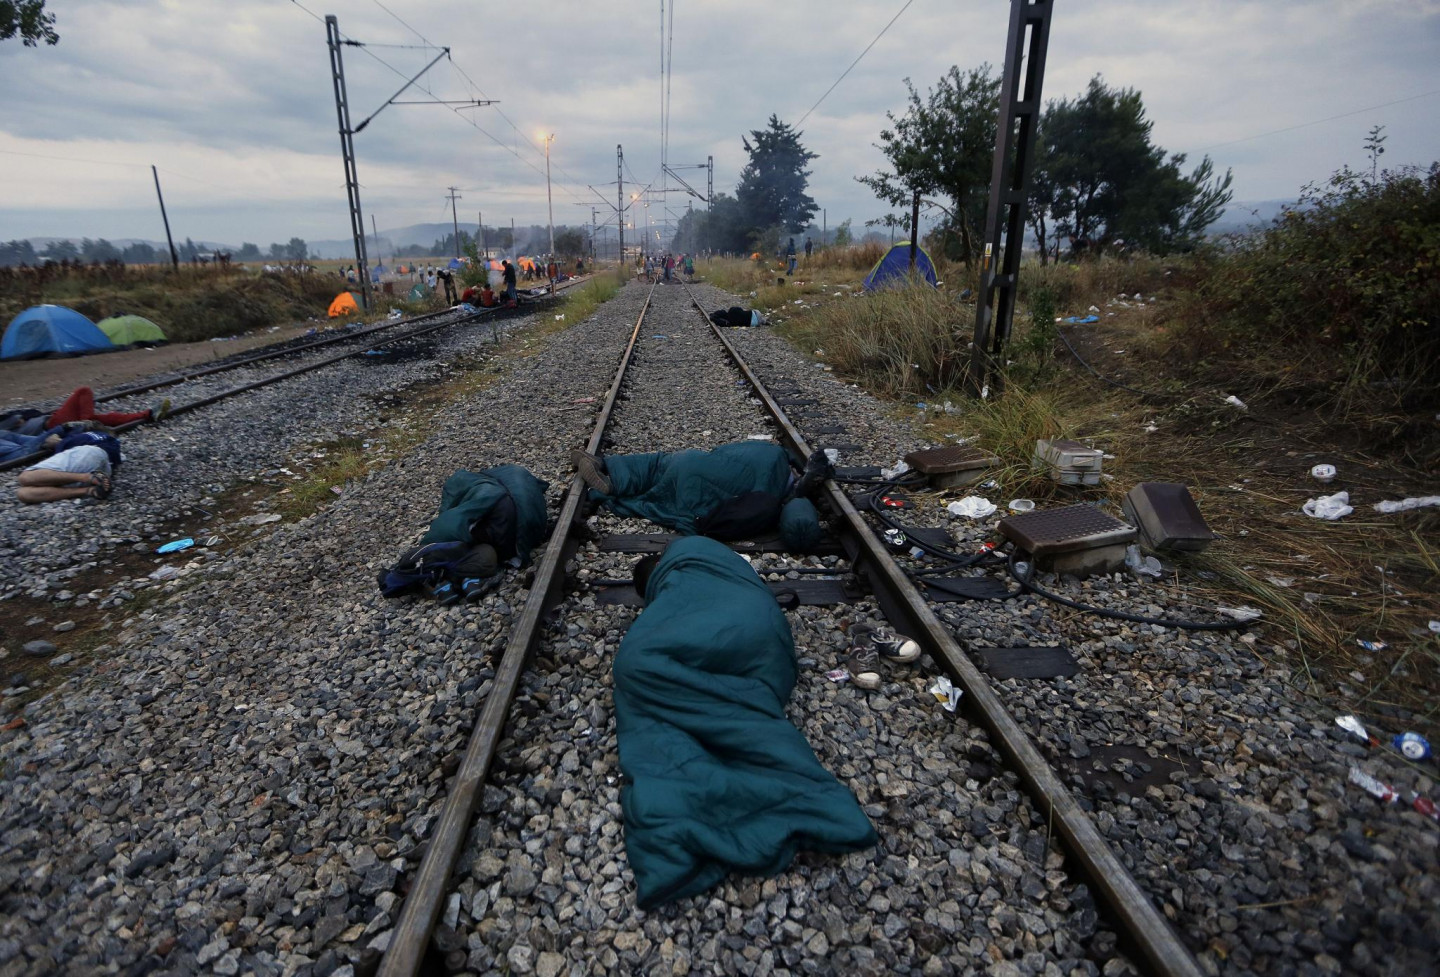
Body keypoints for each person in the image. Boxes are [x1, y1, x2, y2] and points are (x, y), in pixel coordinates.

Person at [612, 535, 876, 908]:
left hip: (743, 643)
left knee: (636, 665)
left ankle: (733, 802)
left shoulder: (676, 575)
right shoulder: (705, 551)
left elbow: (658, 634)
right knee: (700, 679)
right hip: (770, 651)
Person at [570, 440, 831, 545]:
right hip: (699, 484)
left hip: (691, 459)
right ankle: (611, 491)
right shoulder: (774, 492)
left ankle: (609, 468)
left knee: (656, 465)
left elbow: (724, 450)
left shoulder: (769, 452)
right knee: (656, 498)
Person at [15, 430, 121, 504]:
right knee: (23, 494)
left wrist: (58, 442)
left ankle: (88, 478)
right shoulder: (113, 446)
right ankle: (91, 490)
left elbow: (57, 441)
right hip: (104, 468)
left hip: (88, 454)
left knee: (25, 477)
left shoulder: (88, 435)